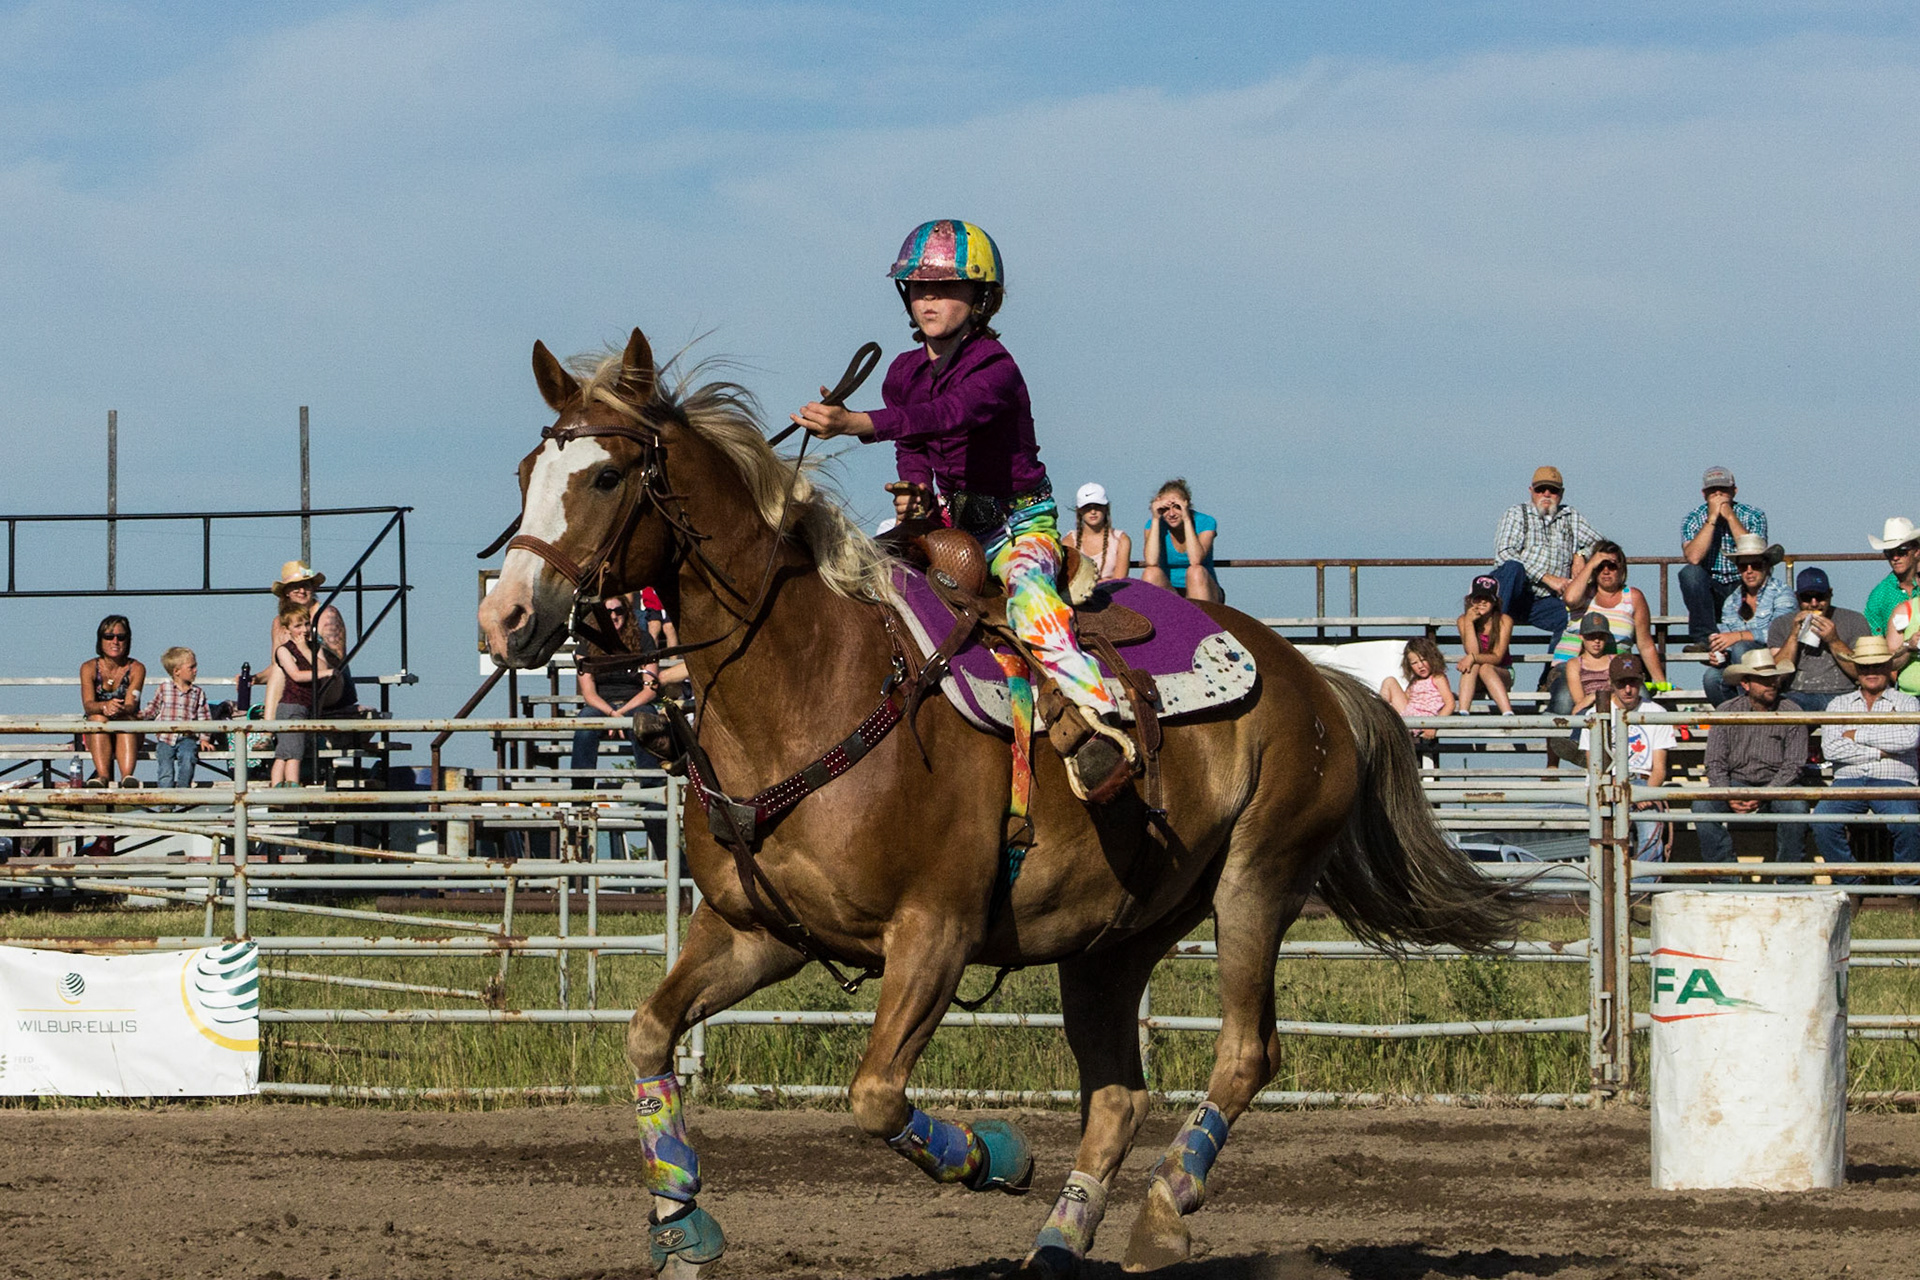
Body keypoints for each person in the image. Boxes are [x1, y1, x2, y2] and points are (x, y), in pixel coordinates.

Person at [790, 218, 1135, 803]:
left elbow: (948, 415)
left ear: (981, 298)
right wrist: (914, 491)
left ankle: (1097, 728)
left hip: (1020, 526)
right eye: (919, 288)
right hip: (949, 529)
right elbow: (913, 444)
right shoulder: (902, 373)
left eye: (946, 287)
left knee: (1032, 605)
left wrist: (856, 423)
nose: (929, 299)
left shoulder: (996, 367)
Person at [1811, 636, 1920, 886]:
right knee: (1821, 820)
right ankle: (1850, 884)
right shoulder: (1838, 704)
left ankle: (1907, 888)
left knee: (1908, 823)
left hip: (1895, 780)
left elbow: (1908, 739)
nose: (1871, 672)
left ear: (1888, 667)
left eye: (1878, 665)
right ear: (1857, 670)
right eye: (1864, 667)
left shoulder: (1907, 701)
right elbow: (1832, 749)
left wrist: (1856, 735)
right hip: (1848, 781)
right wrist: (1880, 751)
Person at [1692, 649, 1808, 871]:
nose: (1771, 684)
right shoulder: (1726, 711)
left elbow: (1794, 765)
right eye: (1763, 680)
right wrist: (1728, 794)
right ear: (1745, 684)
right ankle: (1725, 877)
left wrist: (1765, 793)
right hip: (1736, 782)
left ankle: (1789, 878)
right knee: (1702, 806)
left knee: (1795, 808)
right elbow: (1714, 762)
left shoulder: (1792, 711)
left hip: (1778, 785)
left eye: (1773, 678)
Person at [1490, 466, 1600, 654]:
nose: (1546, 494)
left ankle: (1554, 670)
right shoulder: (1517, 513)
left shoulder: (1571, 517)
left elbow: (1602, 547)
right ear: (1531, 491)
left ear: (1561, 494)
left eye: (1553, 490)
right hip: (1512, 594)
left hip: (1544, 601)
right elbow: (1505, 553)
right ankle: (1491, 650)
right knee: (1513, 568)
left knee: (1571, 618)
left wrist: (1581, 554)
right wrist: (1546, 577)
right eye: (1540, 489)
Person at [1575, 656, 1673, 862]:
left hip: (1642, 782)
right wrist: (1613, 786)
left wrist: (1645, 794)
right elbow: (1593, 764)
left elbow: (1659, 769)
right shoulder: (1594, 714)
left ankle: (1643, 882)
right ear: (1611, 683)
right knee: (1600, 838)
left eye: (1633, 683)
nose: (1628, 690)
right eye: (1621, 684)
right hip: (1605, 784)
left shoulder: (1657, 713)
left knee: (1651, 835)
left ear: (1641, 681)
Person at [571, 595, 663, 788]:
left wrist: (620, 713)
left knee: (645, 722)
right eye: (608, 612)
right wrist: (612, 714)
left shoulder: (643, 640)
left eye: (619, 611)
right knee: (585, 724)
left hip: (635, 702)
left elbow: (650, 689)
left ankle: (652, 792)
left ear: (627, 613)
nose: (614, 616)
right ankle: (580, 792)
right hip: (601, 705)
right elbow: (589, 693)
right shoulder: (587, 644)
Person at [270, 595, 356, 787]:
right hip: (291, 706)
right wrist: (322, 672)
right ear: (287, 630)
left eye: (307, 624)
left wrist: (306, 649)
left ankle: (282, 786)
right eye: (298, 626)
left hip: (305, 706)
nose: (304, 630)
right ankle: (288, 785)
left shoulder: (313, 648)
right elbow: (296, 675)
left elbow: (321, 665)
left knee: (288, 751)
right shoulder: (284, 650)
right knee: (291, 753)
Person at [1699, 534, 1795, 707]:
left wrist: (1739, 636)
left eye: (1755, 565)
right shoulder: (1731, 601)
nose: (1749, 571)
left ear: (1766, 566)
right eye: (1743, 566)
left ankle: (1750, 708)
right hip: (1741, 665)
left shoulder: (1782, 593)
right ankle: (1733, 715)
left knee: (1741, 648)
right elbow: (1727, 637)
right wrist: (1720, 651)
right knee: (1711, 678)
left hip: (1773, 662)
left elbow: (1782, 634)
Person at [1679, 467, 1768, 651]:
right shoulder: (1693, 518)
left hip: (1744, 584)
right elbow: (1693, 557)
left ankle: (1750, 639)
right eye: (1713, 491)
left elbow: (1754, 551)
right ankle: (1705, 639)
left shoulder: (1754, 515)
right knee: (1690, 573)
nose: (1718, 495)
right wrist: (1712, 518)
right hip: (1711, 589)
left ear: (1734, 491)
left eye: (1723, 490)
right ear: (1704, 494)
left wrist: (1730, 517)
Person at [1767, 568, 1869, 713]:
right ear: (1797, 597)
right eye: (1807, 598)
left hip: (1844, 693)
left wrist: (1834, 640)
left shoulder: (1854, 620)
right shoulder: (1781, 623)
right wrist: (1793, 636)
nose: (1814, 604)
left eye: (1820, 596)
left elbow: (1862, 672)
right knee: (1782, 710)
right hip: (1796, 694)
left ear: (1830, 593)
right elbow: (1776, 675)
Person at [263, 560, 348, 722]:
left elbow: (337, 660)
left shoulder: (327, 615)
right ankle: (268, 729)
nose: (301, 591)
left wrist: (305, 648)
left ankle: (279, 727)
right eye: (295, 586)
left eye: (306, 585)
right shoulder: (279, 623)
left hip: (327, 683)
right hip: (294, 687)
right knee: (279, 669)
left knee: (311, 673)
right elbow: (277, 664)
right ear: (286, 592)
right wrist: (255, 678)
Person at [79, 614, 145, 786]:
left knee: (126, 721)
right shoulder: (88, 667)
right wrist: (104, 706)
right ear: (100, 640)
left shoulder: (137, 668)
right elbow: (88, 705)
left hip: (127, 727)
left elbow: (131, 704)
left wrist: (119, 709)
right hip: (98, 728)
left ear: (127, 640)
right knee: (97, 719)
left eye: (120, 637)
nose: (115, 641)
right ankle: (102, 776)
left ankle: (127, 777)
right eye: (109, 636)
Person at [141, 646, 213, 790]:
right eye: (191, 667)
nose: (195, 670)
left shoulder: (197, 693)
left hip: (188, 737)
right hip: (166, 738)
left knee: (188, 759)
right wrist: (139, 716)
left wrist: (204, 738)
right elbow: (153, 709)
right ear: (177, 671)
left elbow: (204, 717)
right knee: (165, 769)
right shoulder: (164, 689)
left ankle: (183, 791)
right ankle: (166, 797)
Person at [1379, 637, 1455, 766]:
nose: (1420, 666)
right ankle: (1379, 715)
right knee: (1389, 681)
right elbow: (1406, 699)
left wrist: (1434, 725)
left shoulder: (1438, 678)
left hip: (1426, 719)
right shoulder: (1414, 681)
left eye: (1423, 660)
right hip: (1409, 714)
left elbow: (1450, 703)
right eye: (1414, 663)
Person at [1141, 479, 1220, 602]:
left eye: (1177, 507)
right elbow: (1151, 561)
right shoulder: (1153, 525)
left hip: (1204, 588)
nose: (1171, 514)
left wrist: (1187, 519)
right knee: (1150, 573)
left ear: (1186, 504)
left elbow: (1195, 560)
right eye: (1165, 509)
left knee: (1195, 571)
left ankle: (1200, 614)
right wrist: (1155, 519)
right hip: (1170, 589)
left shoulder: (1206, 522)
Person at [1454, 575, 1515, 715]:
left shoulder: (1504, 621)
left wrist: (1473, 658)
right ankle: (1463, 712)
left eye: (1487, 598)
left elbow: (1497, 657)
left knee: (1485, 668)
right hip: (1475, 677)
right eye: (1478, 597)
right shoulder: (1463, 620)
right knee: (1473, 666)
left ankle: (1508, 713)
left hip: (1501, 672)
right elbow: (1472, 651)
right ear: (1470, 600)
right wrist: (1469, 623)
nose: (1482, 601)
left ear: (1495, 602)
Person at [1862, 517, 1920, 639]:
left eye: (1901, 552)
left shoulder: (1879, 595)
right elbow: (1875, 642)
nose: (1895, 558)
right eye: (1889, 553)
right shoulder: (1879, 596)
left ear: (1916, 552)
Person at [1063, 483, 1132, 581]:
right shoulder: (1069, 541)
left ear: (1106, 508)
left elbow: (1119, 581)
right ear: (1079, 510)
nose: (1093, 512)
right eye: (1087, 507)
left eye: (1098, 506)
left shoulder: (1121, 539)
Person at [1560, 613, 1620, 717]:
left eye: (1601, 637)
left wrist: (1595, 696)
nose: (1597, 641)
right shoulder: (1575, 663)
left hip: (1615, 708)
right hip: (1588, 711)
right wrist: (1595, 697)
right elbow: (1580, 701)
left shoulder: (1615, 660)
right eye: (1591, 636)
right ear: (1582, 637)